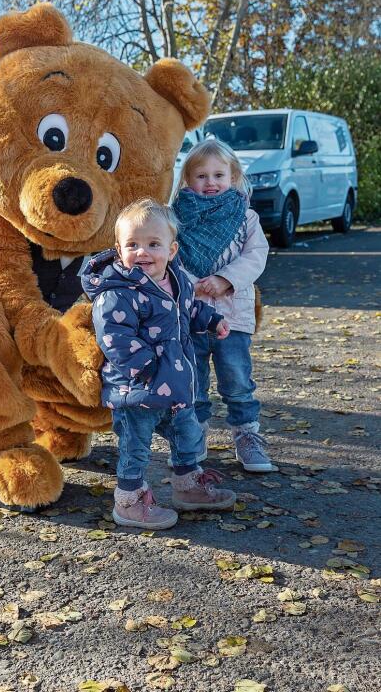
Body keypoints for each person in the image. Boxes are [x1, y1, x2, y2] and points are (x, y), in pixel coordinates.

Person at [82, 198, 236, 530]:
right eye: (132, 245)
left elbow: (189, 310)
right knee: (136, 447)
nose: (142, 252)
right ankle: (129, 501)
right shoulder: (117, 293)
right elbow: (115, 339)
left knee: (187, 434)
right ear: (119, 249)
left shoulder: (177, 281)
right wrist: (148, 368)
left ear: (172, 249)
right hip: (137, 388)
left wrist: (212, 320)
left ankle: (187, 487)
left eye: (153, 244)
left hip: (175, 383)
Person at [172, 138, 273, 472]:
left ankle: (247, 436)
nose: (210, 182)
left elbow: (256, 256)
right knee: (193, 380)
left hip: (233, 314)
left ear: (233, 177)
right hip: (191, 315)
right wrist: (190, 284)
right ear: (187, 179)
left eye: (218, 175)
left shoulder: (246, 217)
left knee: (237, 380)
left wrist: (226, 279)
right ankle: (194, 434)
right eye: (201, 176)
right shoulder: (177, 217)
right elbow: (169, 256)